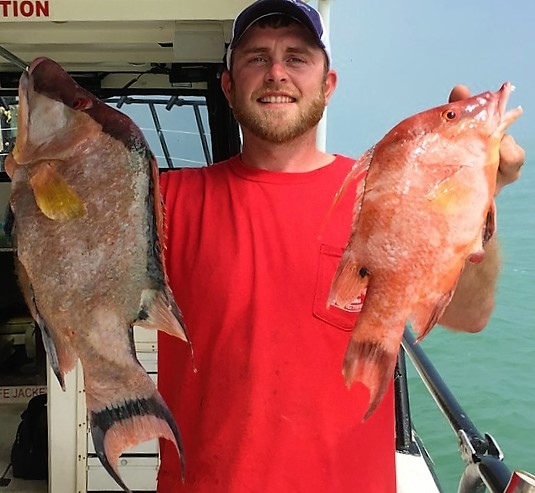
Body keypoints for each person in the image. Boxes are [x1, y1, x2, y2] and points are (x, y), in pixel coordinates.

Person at [156, 1, 525, 492]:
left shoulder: (382, 196)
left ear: (328, 85)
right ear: (228, 85)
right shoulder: (165, 200)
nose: (276, 73)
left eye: (297, 57)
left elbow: (470, 314)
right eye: (256, 58)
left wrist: (480, 200)